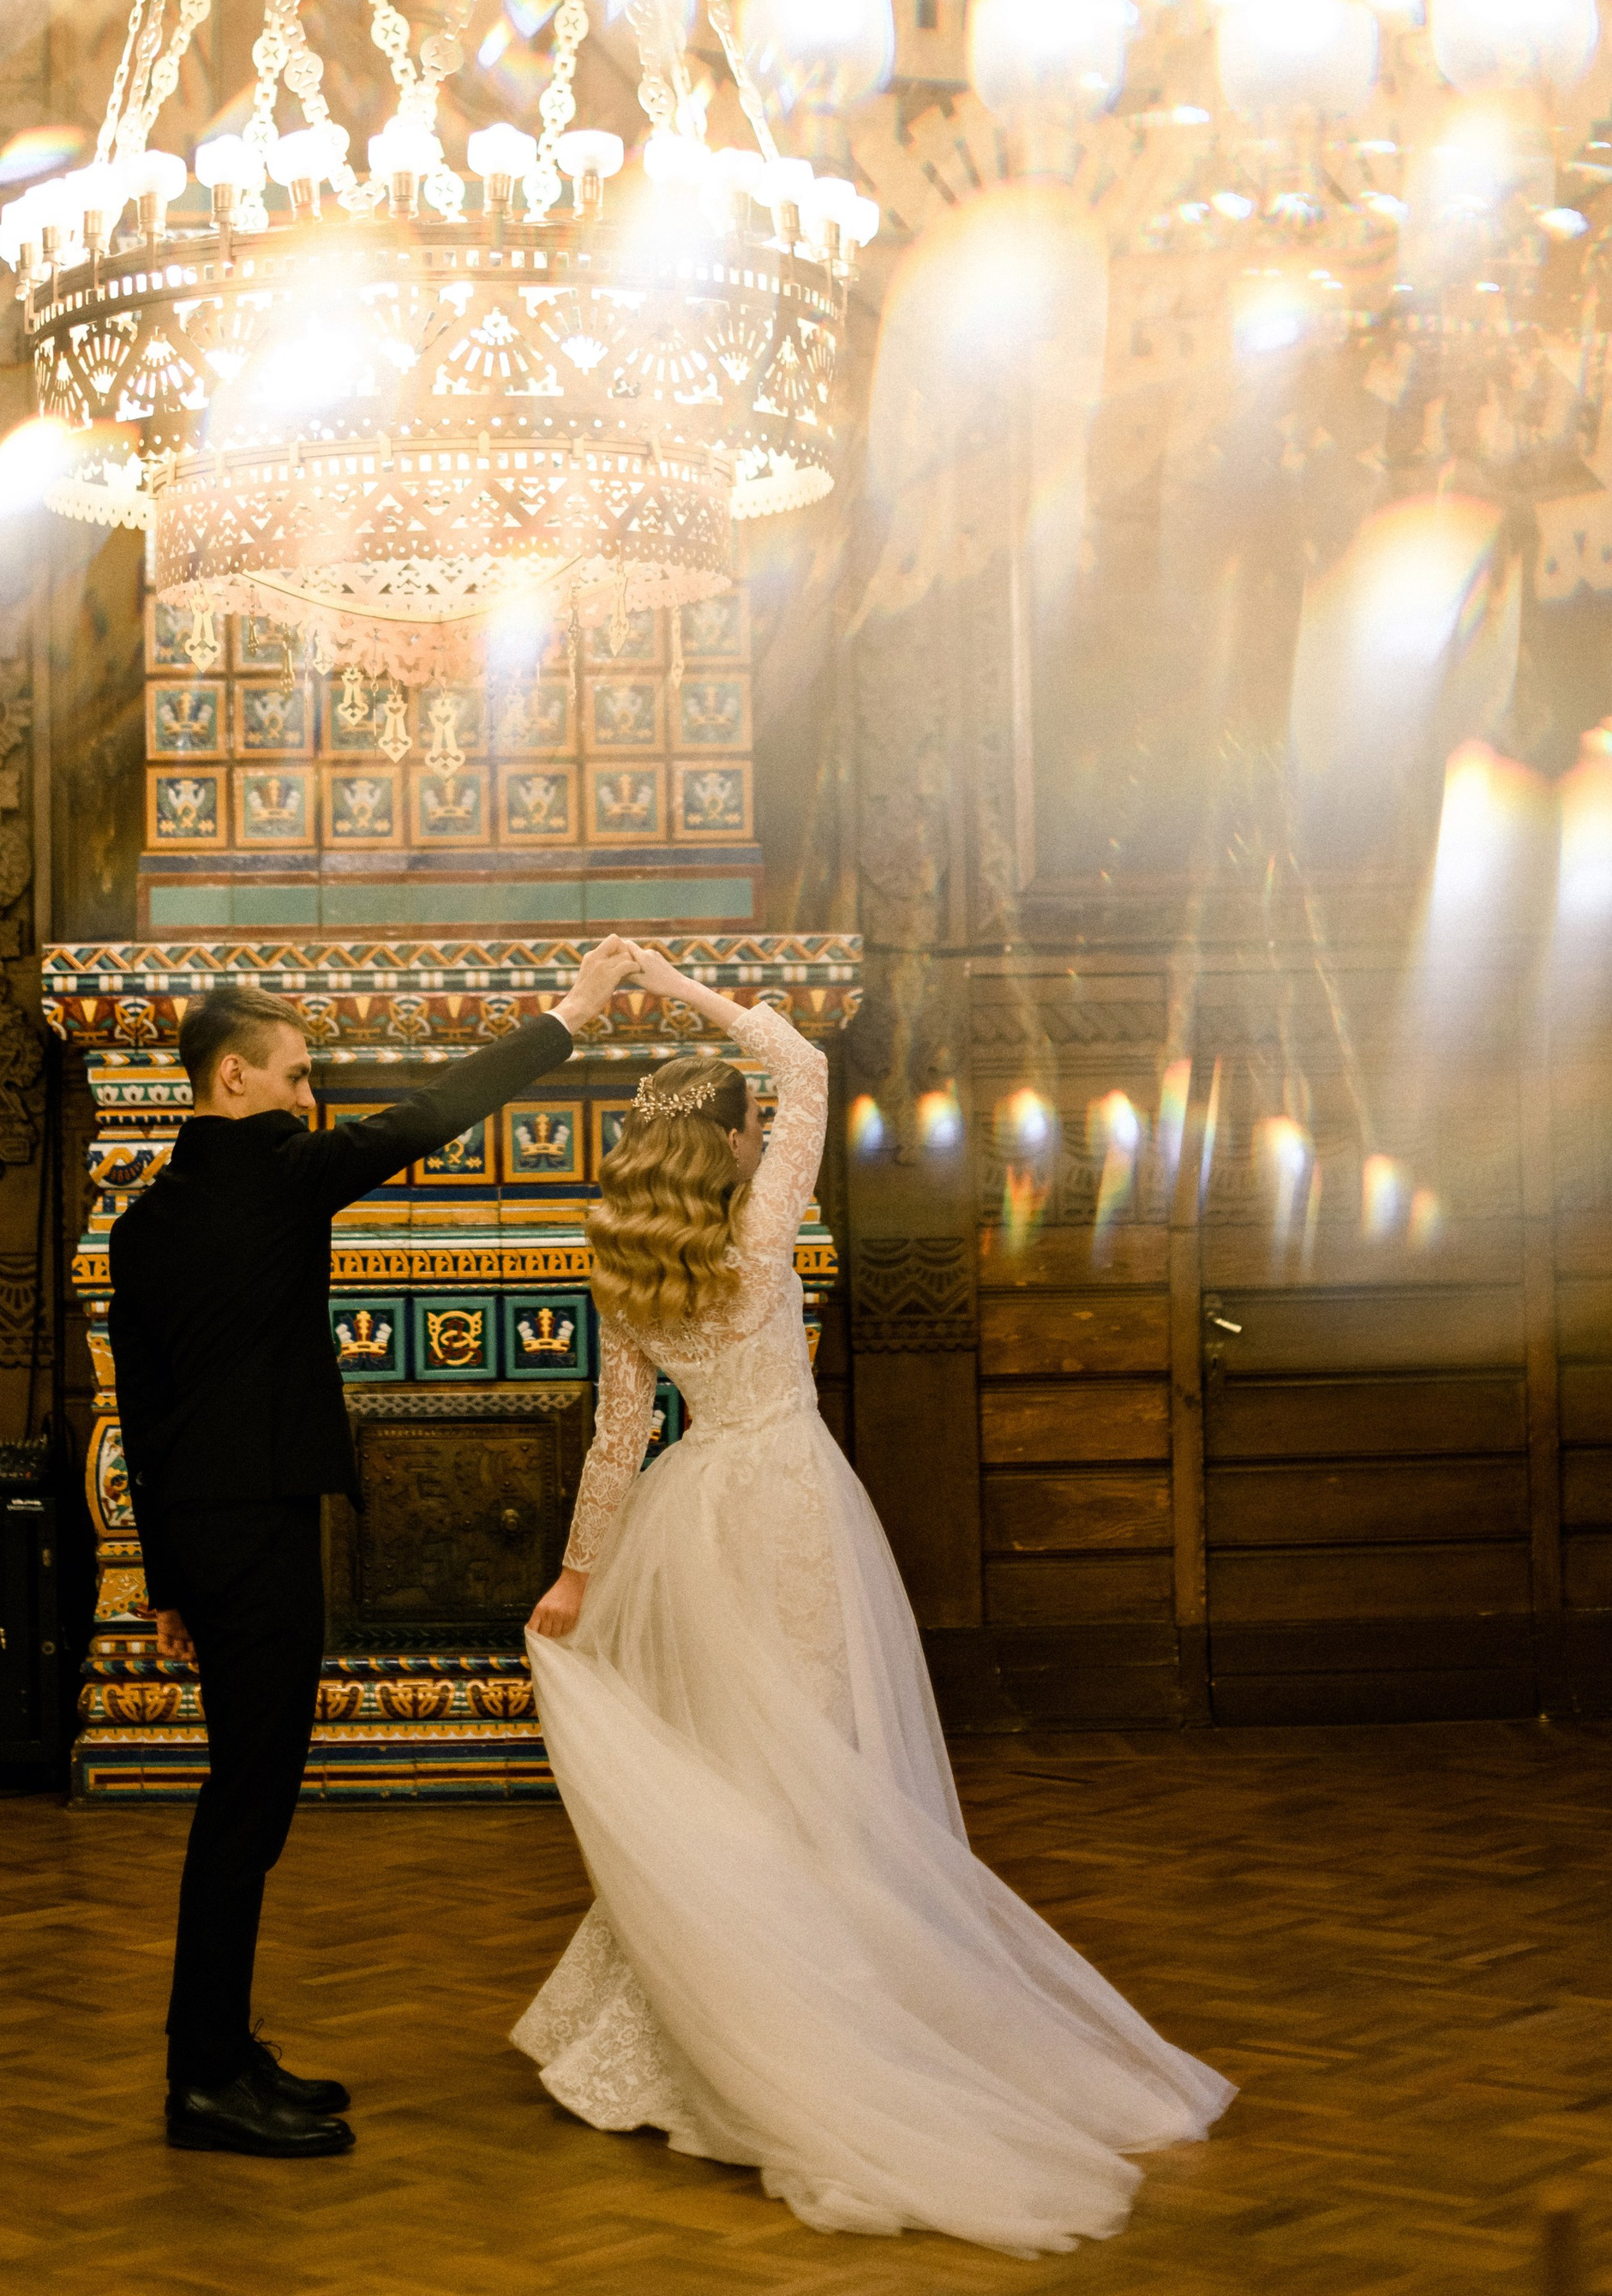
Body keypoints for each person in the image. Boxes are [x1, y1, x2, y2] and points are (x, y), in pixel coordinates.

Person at [515, 943, 1234, 2250]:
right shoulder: (762, 1227)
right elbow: (803, 1057)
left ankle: (704, 2004)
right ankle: (824, 2002)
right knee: (818, 1759)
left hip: (694, 1516)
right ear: (737, 1146)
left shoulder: (619, 1254)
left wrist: (576, 1575)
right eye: (746, 1128)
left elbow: (617, 1439)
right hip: (788, 1507)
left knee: (732, 1767)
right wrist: (677, 989)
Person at [107, 938, 635, 2160]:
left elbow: (138, 1411)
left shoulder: (144, 1226)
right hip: (265, 1533)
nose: (310, 1095)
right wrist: (570, 1014)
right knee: (248, 1807)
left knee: (242, 1802)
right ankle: (202, 2080)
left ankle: (225, 2053)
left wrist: (166, 1584)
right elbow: (438, 1111)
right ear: (232, 1079)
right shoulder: (282, 1174)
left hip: (205, 1540)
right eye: (295, 1074)